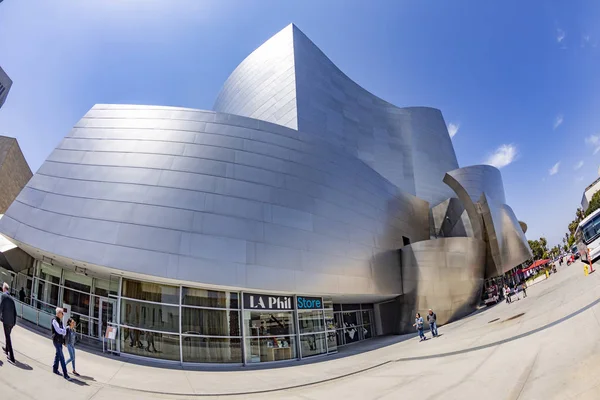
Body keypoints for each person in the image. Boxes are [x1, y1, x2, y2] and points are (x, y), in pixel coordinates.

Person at [51, 307, 71, 380]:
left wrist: (63, 331)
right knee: (61, 357)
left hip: (60, 340)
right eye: (62, 313)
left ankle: (55, 369)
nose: (63, 314)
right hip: (56, 340)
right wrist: (63, 331)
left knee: (58, 355)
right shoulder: (54, 320)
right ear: (58, 313)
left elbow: (64, 330)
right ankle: (65, 374)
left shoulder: (60, 321)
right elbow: (59, 330)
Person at [0, 282, 17, 364]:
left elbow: (1, 306)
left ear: (4, 288)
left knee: (8, 337)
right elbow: (15, 312)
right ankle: (7, 349)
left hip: (6, 321)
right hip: (11, 322)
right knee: (8, 335)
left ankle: (12, 357)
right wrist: (14, 322)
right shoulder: (11, 299)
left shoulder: (3, 296)